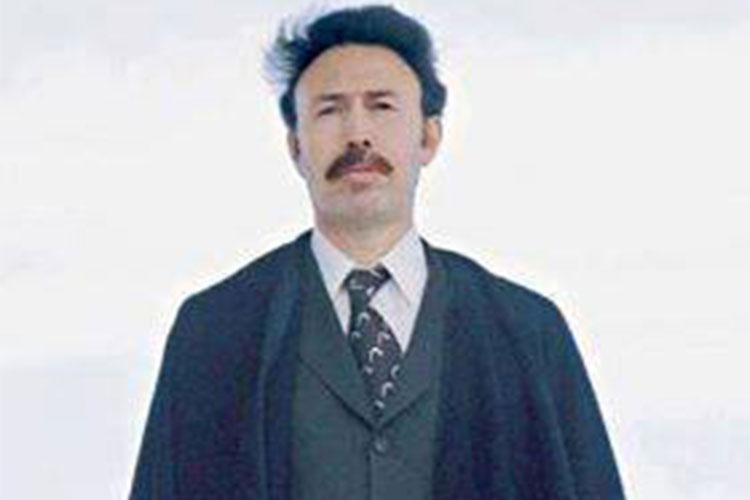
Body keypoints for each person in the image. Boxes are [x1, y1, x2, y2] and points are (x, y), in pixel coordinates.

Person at [130, 5, 625, 500]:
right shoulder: (214, 331)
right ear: (296, 147)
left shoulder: (527, 332)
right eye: (330, 110)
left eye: (381, 106)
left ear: (428, 136)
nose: (357, 133)